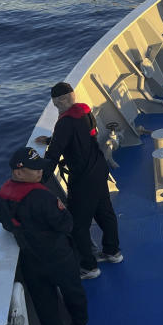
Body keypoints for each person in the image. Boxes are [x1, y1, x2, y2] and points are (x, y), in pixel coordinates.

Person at [0, 147, 89, 325]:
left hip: (31, 260)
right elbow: (66, 224)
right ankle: (79, 322)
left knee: (45, 305)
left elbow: (7, 224)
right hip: (58, 257)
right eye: (35, 169)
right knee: (73, 292)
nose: (40, 172)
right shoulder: (43, 198)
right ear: (19, 172)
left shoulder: (2, 197)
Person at [38, 82, 122, 280]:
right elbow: (81, 138)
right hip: (99, 169)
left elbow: (53, 155)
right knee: (105, 213)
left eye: (55, 102)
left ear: (59, 101)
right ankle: (113, 252)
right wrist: (52, 139)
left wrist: (40, 179)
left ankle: (89, 267)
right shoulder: (84, 112)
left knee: (78, 224)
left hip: (83, 178)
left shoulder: (65, 123)